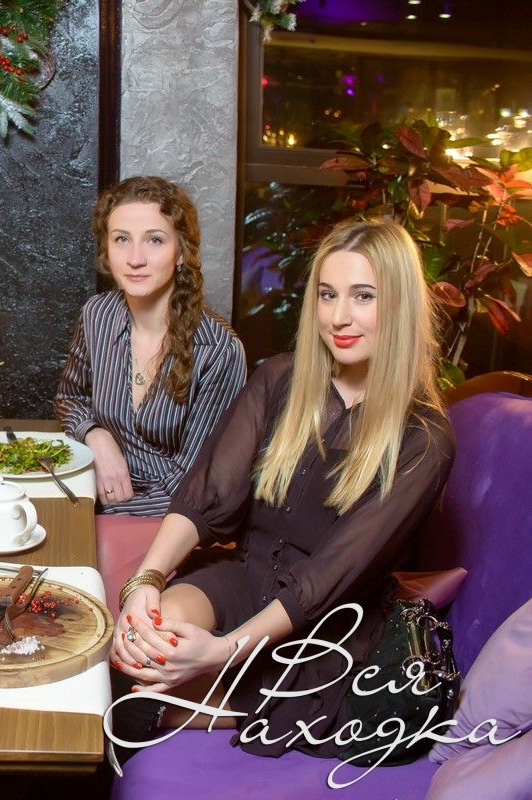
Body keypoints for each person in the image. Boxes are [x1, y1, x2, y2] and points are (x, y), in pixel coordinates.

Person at [109, 218, 455, 759]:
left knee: (143, 701)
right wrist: (146, 581)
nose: (339, 317)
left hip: (325, 626)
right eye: (328, 295)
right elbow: (207, 496)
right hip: (244, 577)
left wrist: (222, 651)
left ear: (400, 306)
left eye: (363, 296)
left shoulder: (423, 438)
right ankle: (181, 698)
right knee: (141, 643)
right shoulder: (278, 379)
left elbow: (327, 579)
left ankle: (206, 708)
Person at [55, 176, 246, 516]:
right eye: (121, 239)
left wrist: (101, 516)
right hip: (91, 495)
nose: (135, 258)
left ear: (180, 252)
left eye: (154, 240)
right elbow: (70, 398)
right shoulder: (97, 315)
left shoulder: (219, 350)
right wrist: (95, 435)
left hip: (171, 518)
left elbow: (195, 486)